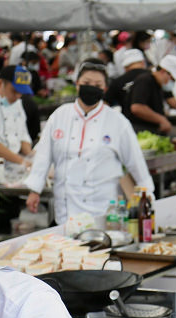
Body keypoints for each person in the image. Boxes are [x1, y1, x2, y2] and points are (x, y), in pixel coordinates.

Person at [25, 60, 153, 224]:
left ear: (105, 89)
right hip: (66, 209)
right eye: (86, 83)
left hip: (102, 210)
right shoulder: (59, 116)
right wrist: (35, 190)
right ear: (77, 84)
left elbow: (135, 162)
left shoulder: (117, 122)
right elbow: (43, 156)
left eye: (98, 84)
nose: (91, 87)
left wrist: (148, 194)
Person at [124, 54, 176, 134]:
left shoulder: (161, 85)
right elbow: (137, 107)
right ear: (163, 71)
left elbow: (173, 103)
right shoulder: (145, 80)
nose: (171, 82)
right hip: (139, 130)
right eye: (172, 79)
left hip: (152, 130)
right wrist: (161, 120)